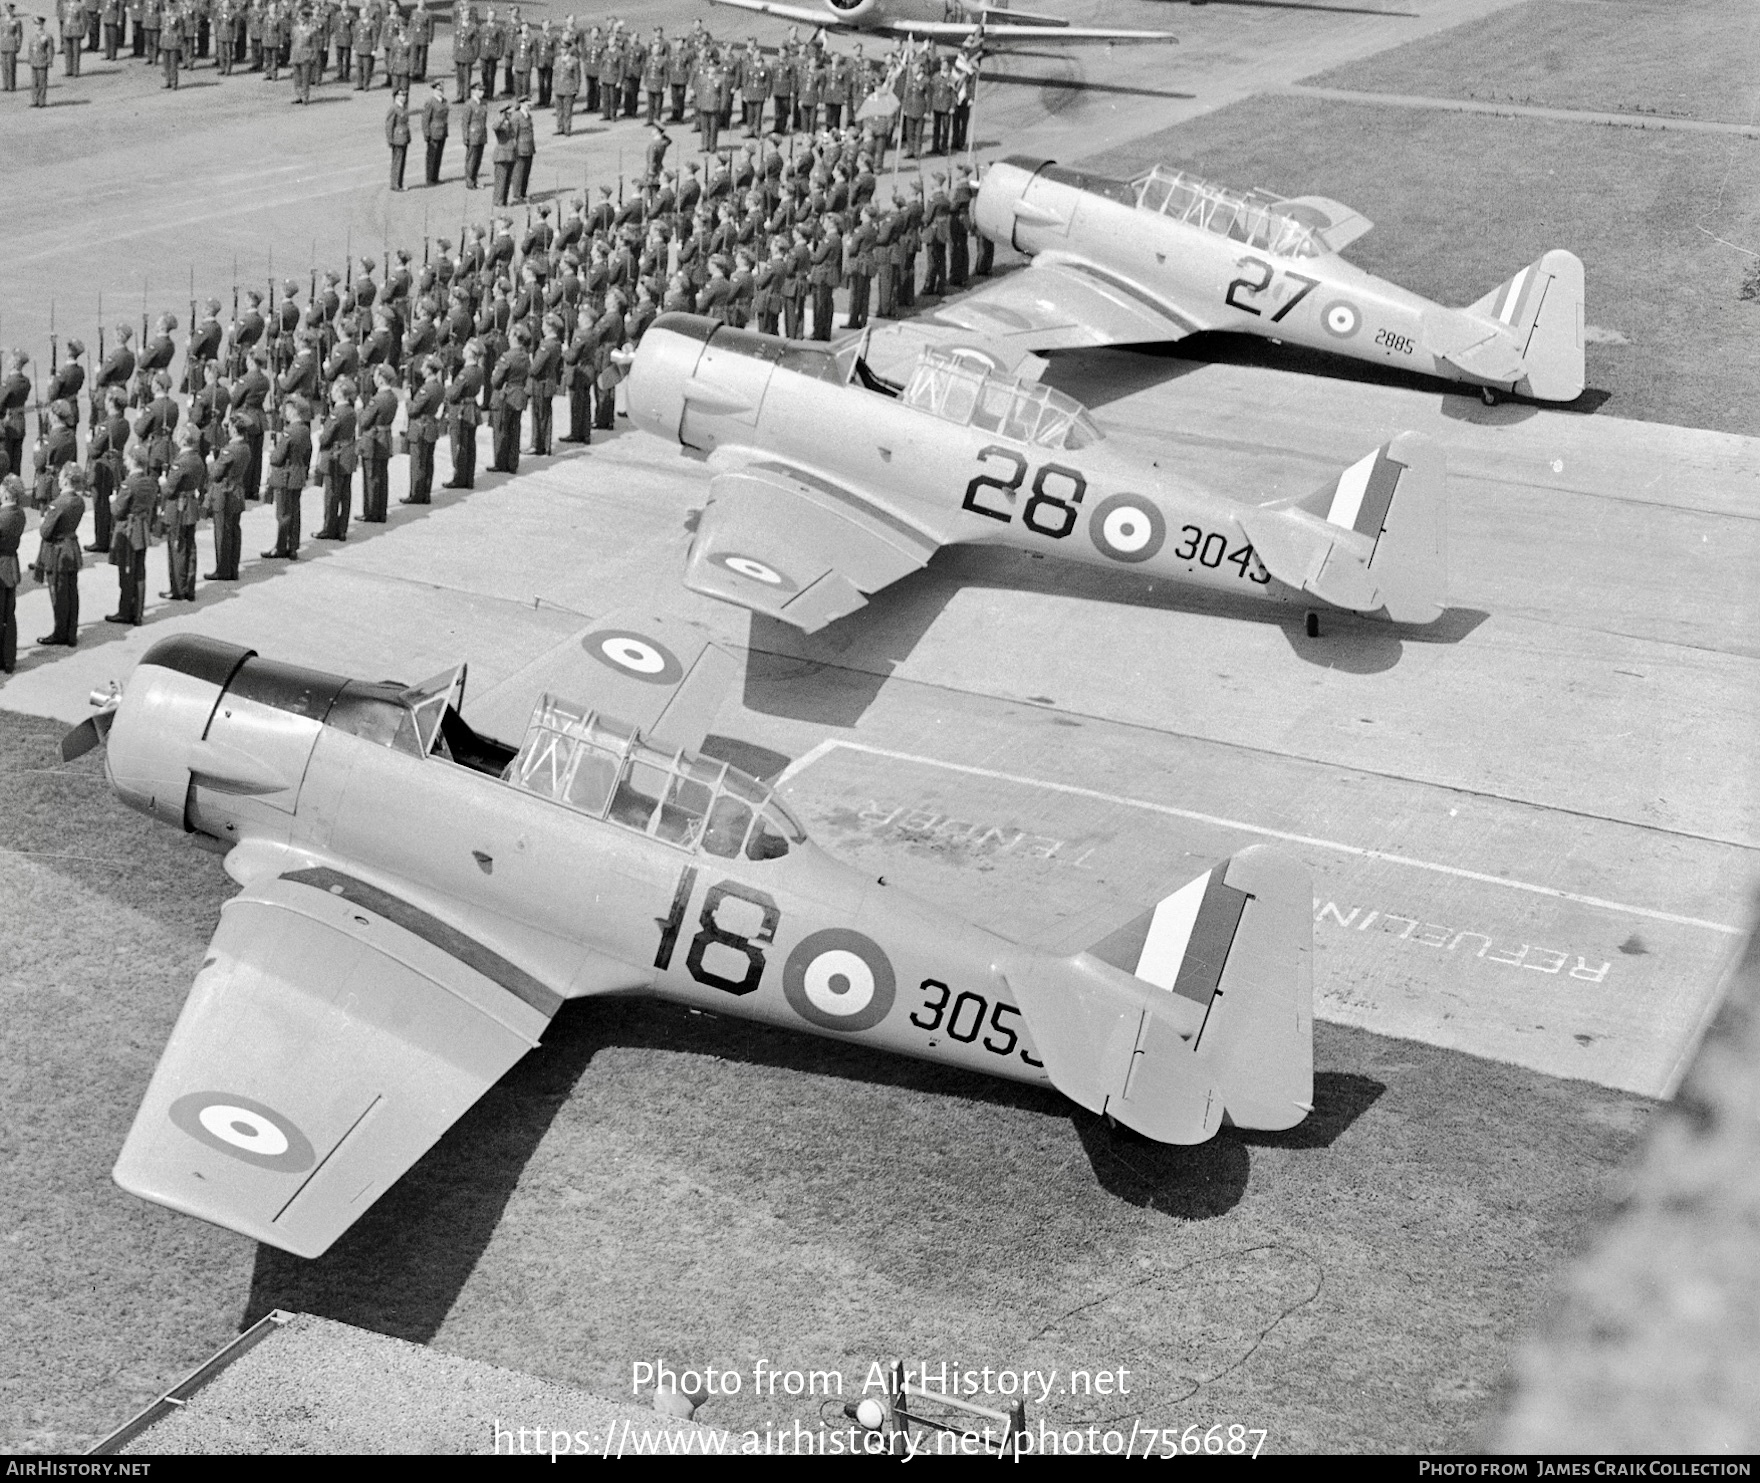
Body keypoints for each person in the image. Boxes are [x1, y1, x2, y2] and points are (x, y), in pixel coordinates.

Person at [33, 464, 85, 647]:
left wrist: (43, 521)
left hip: (58, 552)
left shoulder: (58, 503)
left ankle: (60, 632)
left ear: (65, 480)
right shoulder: (79, 501)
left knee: (59, 593)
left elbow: (46, 532)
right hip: (71, 546)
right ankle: (71, 631)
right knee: (72, 591)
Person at [158, 422, 204, 599]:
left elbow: (169, 489)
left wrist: (163, 483)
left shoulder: (181, 462)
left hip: (178, 507)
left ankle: (178, 588)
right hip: (190, 505)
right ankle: (189, 586)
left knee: (177, 548)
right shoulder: (197, 459)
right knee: (190, 547)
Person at [261, 394, 310, 557]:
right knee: (295, 512)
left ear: (295, 411)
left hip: (286, 475)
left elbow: (277, 458)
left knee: (283, 513)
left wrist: (273, 451)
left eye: (288, 409)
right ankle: (293, 545)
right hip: (298, 474)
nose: (285, 412)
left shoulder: (289, 432)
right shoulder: (304, 430)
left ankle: (281, 547)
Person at [204, 412, 247, 579]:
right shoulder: (245, 447)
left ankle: (222, 568)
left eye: (229, 427)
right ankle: (232, 567)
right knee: (234, 531)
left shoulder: (230, 450)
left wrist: (210, 463)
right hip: (237, 491)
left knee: (222, 532)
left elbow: (216, 474)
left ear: (235, 430)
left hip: (225, 493)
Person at [314, 377, 357, 539]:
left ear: (339, 393)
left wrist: (321, 434)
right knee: (345, 493)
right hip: (347, 454)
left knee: (331, 494)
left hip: (336, 455)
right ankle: (342, 528)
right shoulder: (351, 411)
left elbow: (325, 438)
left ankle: (329, 527)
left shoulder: (336, 414)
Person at [356, 364, 397, 519]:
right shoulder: (392, 397)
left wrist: (360, 409)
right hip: (385, 437)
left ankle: (371, 511)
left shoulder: (377, 399)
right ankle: (381, 510)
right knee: (382, 475)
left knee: (371, 476)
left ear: (381, 379)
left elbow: (364, 421)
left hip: (374, 438)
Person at [443, 339, 483, 487]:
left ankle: (459, 477)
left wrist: (448, 387)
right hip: (472, 407)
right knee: (470, 444)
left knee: (459, 443)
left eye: (466, 350)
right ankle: (468, 477)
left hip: (461, 409)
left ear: (471, 353)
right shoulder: (478, 370)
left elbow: (452, 394)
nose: (463, 351)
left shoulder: (465, 373)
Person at [489, 321, 529, 472]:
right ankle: (513, 463)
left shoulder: (507, 356)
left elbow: (496, 380)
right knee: (515, 429)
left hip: (506, 395)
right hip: (519, 394)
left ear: (514, 338)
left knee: (501, 429)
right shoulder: (525, 356)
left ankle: (500, 462)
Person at [401, 355, 442, 502]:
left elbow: (413, 410)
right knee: (428, 461)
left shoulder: (426, 389)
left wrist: (407, 399)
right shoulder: (438, 387)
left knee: (418, 462)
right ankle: (425, 492)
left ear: (430, 370)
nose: (422, 369)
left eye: (424, 367)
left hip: (420, 427)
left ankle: (416, 494)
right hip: (430, 425)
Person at [0, 477, 23, 672]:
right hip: (12, 564)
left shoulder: (3, 516)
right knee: (9, 613)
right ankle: (8, 658)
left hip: (1, 565)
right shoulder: (20, 513)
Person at [420, 77, 448, 184]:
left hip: (442, 132)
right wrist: (426, 133)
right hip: (433, 132)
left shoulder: (444, 101)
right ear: (434, 90)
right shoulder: (430, 102)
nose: (440, 91)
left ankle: (435, 177)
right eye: (438, 90)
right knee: (431, 157)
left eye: (441, 90)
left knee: (438, 156)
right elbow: (425, 119)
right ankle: (430, 178)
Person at [461, 79, 488, 187]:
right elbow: (465, 122)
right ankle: (470, 181)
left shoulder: (483, 103)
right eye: (479, 90)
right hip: (473, 135)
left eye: (482, 90)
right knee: (471, 159)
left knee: (478, 160)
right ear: (474, 91)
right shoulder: (469, 104)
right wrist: (466, 137)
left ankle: (474, 179)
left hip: (481, 134)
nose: (482, 92)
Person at [490, 103, 516, 206]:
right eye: (509, 113)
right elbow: (494, 127)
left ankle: (504, 200)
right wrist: (501, 118)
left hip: (510, 155)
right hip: (502, 155)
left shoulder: (509, 124)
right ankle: (498, 201)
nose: (511, 115)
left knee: (507, 180)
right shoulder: (500, 124)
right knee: (501, 179)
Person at [386, 87, 411, 189]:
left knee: (402, 162)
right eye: (401, 95)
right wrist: (390, 139)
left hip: (403, 137)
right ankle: (395, 184)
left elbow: (406, 124)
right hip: (397, 138)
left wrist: (408, 137)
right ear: (396, 96)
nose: (404, 97)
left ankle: (399, 183)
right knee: (397, 162)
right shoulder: (394, 108)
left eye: (404, 95)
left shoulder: (403, 108)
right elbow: (389, 125)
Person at [511, 95, 535, 203]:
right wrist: (514, 149)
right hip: (520, 149)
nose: (529, 107)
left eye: (530, 105)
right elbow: (513, 135)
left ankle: (523, 193)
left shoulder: (528, 116)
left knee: (526, 172)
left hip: (529, 148)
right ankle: (517, 194)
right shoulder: (516, 116)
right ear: (521, 104)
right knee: (518, 172)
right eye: (527, 105)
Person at [27, 13, 51, 104]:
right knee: (34, 82)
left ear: (42, 24)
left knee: (42, 82)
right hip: (34, 61)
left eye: (37, 24)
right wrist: (29, 58)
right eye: (35, 24)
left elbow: (50, 49)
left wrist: (49, 60)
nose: (36, 26)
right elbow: (30, 48)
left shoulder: (46, 36)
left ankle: (41, 100)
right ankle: (34, 100)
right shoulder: (32, 36)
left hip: (42, 60)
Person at [0, 4, 23, 93]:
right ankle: (5, 85)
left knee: (11, 66)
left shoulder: (16, 21)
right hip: (3, 44)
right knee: (4, 66)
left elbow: (19, 34)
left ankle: (11, 85)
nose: (9, 11)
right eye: (7, 10)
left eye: (10, 10)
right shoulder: (2, 20)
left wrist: (18, 45)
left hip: (11, 45)